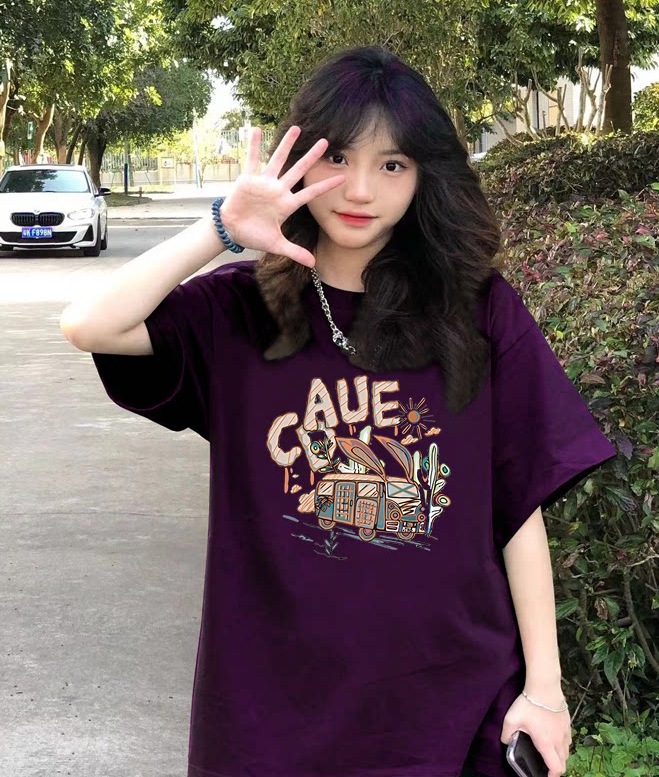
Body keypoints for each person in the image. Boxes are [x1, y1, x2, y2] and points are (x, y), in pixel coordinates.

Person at [60, 45, 617, 777]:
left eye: (392, 165)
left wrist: (545, 691)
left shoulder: (477, 310)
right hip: (270, 716)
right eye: (339, 158)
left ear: (425, 175)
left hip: (451, 705)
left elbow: (517, 508)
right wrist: (220, 228)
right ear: (300, 160)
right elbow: (90, 325)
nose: (359, 189)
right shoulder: (239, 312)